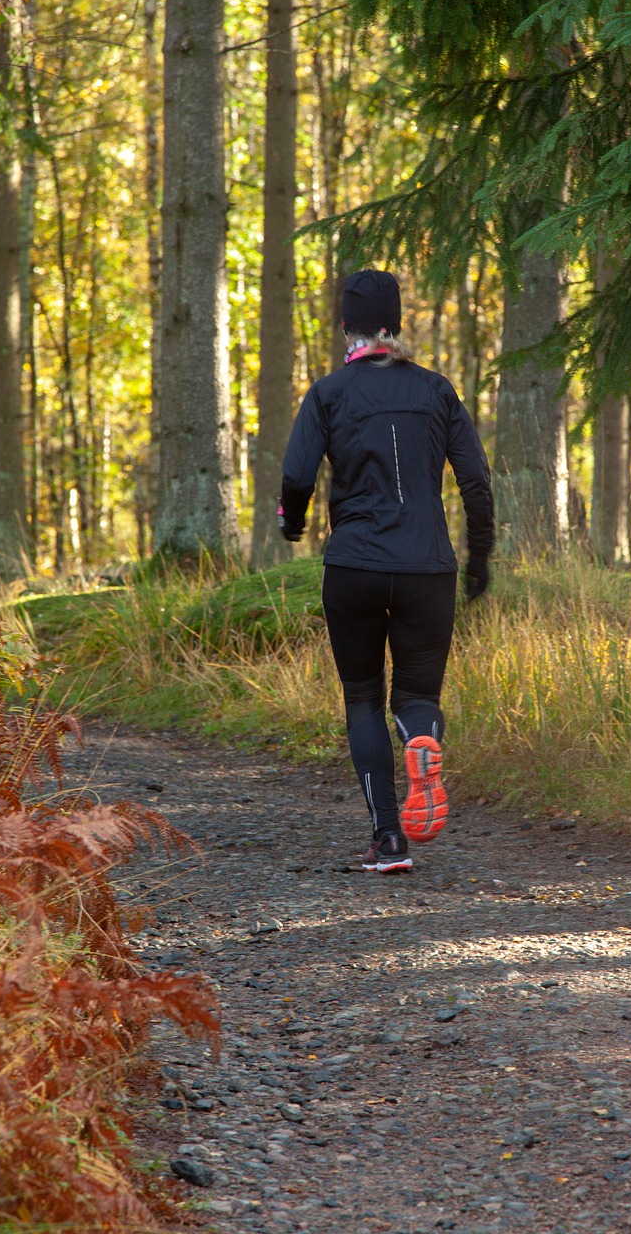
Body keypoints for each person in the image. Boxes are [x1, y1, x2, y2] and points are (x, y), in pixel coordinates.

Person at [278, 269, 495, 874]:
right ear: (395, 325)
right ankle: (421, 738)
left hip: (354, 565)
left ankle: (387, 839)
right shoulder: (437, 390)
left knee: (363, 697)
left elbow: (297, 477)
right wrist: (479, 556)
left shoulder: (328, 392)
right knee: (419, 693)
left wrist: (291, 524)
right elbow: (475, 482)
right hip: (429, 566)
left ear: (345, 324)